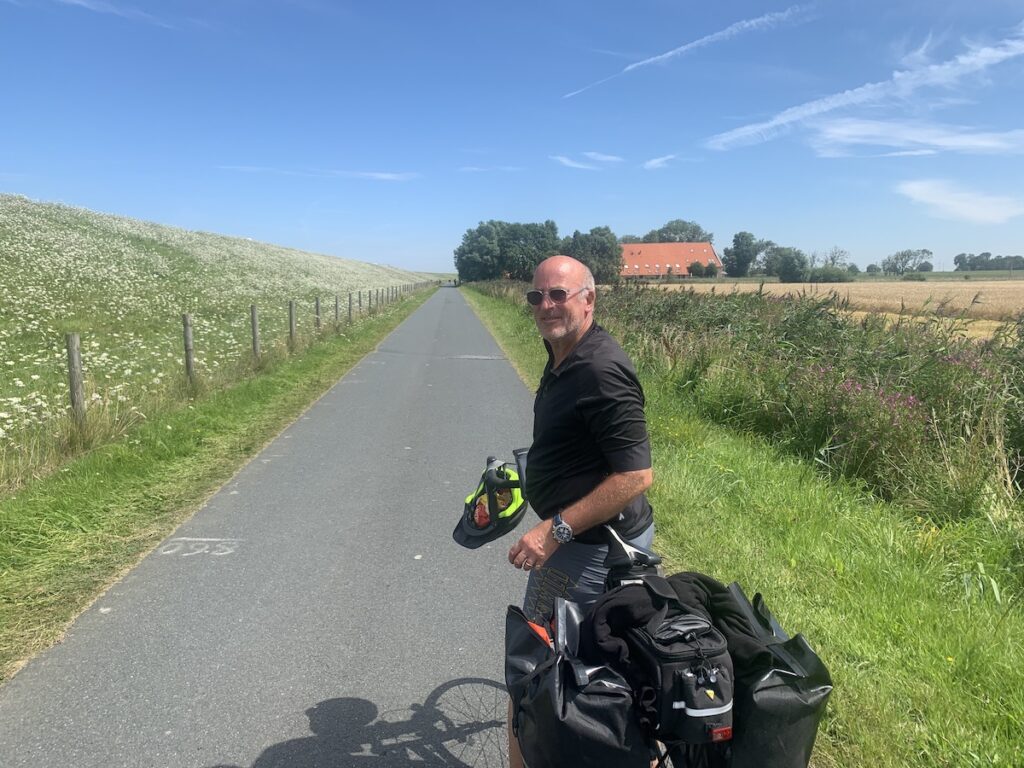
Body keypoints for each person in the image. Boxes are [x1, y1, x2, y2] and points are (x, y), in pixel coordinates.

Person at [506, 254, 655, 768]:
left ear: (589, 299)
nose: (546, 305)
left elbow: (636, 475)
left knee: (532, 671)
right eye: (536, 296)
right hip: (588, 543)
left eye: (558, 295)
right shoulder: (561, 352)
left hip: (587, 550)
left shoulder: (600, 369)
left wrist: (554, 529)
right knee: (605, 679)